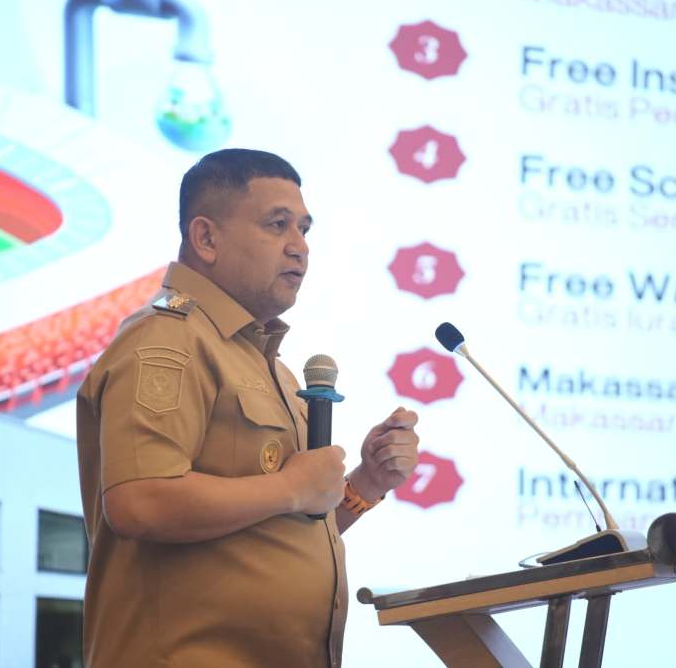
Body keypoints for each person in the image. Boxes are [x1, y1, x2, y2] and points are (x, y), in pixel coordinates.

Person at [76, 149, 421, 668]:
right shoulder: (168, 340)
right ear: (206, 238)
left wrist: (366, 483)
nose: (300, 247)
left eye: (304, 228)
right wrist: (291, 486)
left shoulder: (265, 363)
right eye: (277, 225)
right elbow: (139, 501)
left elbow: (280, 526)